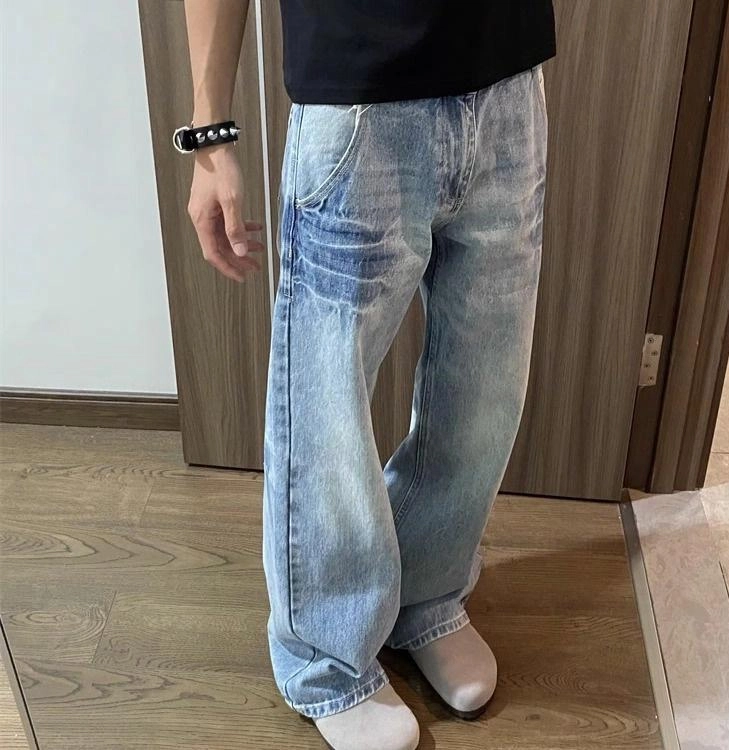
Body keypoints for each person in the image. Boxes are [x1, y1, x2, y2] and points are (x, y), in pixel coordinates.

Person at [182, 2, 555, 748]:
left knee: (485, 386)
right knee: (327, 398)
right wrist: (210, 135)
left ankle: (427, 590)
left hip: (509, 85)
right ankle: (325, 652)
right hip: (359, 96)